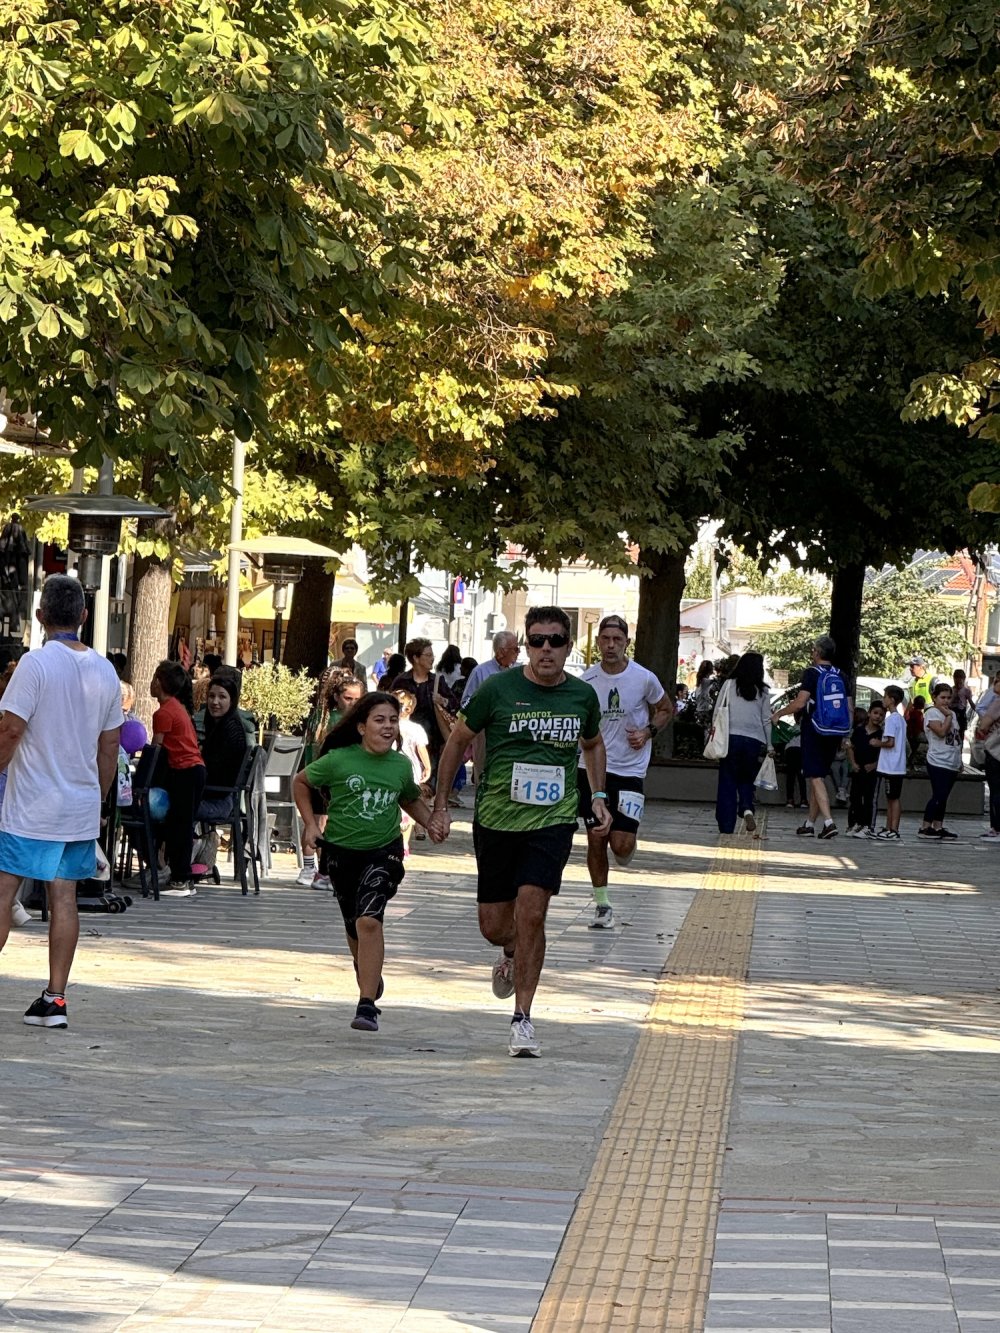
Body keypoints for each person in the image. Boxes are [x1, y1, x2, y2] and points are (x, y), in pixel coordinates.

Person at [431, 607, 610, 1059]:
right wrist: (439, 802)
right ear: (526, 645)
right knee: (495, 926)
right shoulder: (498, 689)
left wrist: (598, 795)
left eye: (554, 640)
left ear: (569, 646)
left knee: (533, 911)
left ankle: (523, 1017)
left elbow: (592, 745)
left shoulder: (582, 697)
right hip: (496, 819)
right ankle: (509, 949)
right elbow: (457, 740)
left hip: (552, 820)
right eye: (537, 640)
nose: (545, 648)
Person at [0, 575, 122, 1027]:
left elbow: (11, 730)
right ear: (84, 617)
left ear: (40, 616)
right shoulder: (105, 671)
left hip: (32, 803)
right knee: (64, 898)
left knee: (4, 891)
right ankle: (55, 999)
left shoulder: (35, 666)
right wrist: (100, 799)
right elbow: (109, 747)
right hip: (78, 806)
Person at [291, 692, 440, 1032]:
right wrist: (311, 824)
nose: (388, 727)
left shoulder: (401, 765)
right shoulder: (339, 760)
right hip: (341, 853)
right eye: (379, 720)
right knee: (353, 922)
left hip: (383, 851)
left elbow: (409, 799)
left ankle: (367, 1005)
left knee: (369, 920)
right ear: (361, 727)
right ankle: (367, 971)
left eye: (392, 720)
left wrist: (430, 822)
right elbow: (300, 782)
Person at [578, 614, 672, 926]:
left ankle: (629, 839)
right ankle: (602, 904)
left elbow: (666, 708)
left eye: (617, 640)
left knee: (620, 845)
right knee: (595, 837)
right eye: (605, 639)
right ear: (597, 642)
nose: (610, 645)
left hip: (630, 770)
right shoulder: (586, 681)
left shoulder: (643, 678)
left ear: (627, 644)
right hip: (593, 769)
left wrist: (647, 732)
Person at [770, 635, 844, 839]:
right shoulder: (841, 674)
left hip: (815, 729)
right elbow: (850, 707)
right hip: (835, 731)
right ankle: (810, 824)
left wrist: (779, 713)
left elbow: (800, 703)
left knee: (815, 776)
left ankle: (828, 822)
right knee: (817, 775)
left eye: (812, 650)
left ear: (818, 653)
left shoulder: (812, 673)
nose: (811, 653)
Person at [298, 672, 365, 888]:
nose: (353, 703)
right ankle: (310, 867)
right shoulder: (328, 718)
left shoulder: (356, 720)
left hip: (340, 780)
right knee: (317, 823)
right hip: (322, 778)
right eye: (348, 698)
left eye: (357, 699)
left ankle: (324, 869)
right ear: (337, 696)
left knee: (327, 824)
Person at [150, 660, 206, 896]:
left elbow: (156, 749)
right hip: (195, 770)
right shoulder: (178, 707)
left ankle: (180, 878)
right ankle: (183, 877)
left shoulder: (163, 712)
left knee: (179, 825)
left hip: (184, 771)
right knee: (182, 823)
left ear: (159, 683)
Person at [713, 651, 771, 837]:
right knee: (746, 778)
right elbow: (766, 720)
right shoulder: (763, 691)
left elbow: (718, 711)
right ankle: (747, 808)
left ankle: (726, 825)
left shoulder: (730, 685)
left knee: (728, 781)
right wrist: (770, 745)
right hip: (754, 741)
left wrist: (714, 733)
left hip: (731, 738)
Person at [390, 638, 452, 774]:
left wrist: (443, 701)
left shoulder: (437, 681)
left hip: (432, 741)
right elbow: (389, 705)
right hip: (405, 741)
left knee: (430, 781)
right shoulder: (401, 681)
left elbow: (455, 705)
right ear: (416, 658)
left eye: (432, 655)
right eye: (428, 655)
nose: (432, 659)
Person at [197, 675, 249, 821]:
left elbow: (219, 776)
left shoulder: (231, 730)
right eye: (211, 696)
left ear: (231, 701)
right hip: (214, 795)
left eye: (222, 697)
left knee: (172, 804)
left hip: (220, 801)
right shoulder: (218, 726)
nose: (215, 702)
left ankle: (193, 843)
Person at [917, 680, 962, 840]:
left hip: (952, 761)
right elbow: (941, 732)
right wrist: (948, 716)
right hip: (938, 760)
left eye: (949, 698)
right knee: (938, 794)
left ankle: (938, 826)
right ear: (934, 697)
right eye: (942, 697)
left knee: (944, 797)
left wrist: (960, 759)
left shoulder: (953, 714)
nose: (946, 701)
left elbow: (956, 737)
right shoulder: (932, 713)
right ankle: (925, 826)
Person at [394, 686, 432, 856]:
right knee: (408, 805)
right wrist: (428, 766)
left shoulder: (388, 725)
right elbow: (421, 749)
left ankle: (398, 842)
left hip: (393, 767)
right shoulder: (415, 728)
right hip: (411, 768)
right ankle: (404, 844)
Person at [870, 684, 906, 841]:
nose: (883, 699)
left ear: (891, 700)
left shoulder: (892, 720)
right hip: (895, 766)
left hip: (892, 766)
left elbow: (890, 742)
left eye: (885, 697)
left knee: (893, 798)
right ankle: (889, 826)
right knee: (891, 797)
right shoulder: (900, 719)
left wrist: (878, 743)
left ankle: (894, 829)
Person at [846, 702, 883, 837]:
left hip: (872, 772)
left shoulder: (881, 734)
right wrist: (853, 763)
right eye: (875, 713)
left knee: (869, 799)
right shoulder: (859, 730)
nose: (877, 717)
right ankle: (854, 823)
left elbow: (884, 754)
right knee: (855, 797)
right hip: (858, 770)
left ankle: (868, 826)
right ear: (869, 713)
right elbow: (850, 747)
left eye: (881, 715)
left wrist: (874, 765)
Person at [460, 631, 519, 706]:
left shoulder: (518, 671)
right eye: (515, 649)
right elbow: (465, 703)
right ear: (501, 651)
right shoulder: (479, 672)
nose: (518, 652)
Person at [975, 674, 1000, 840]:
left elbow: (984, 725)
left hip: (996, 752)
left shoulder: (997, 703)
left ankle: (996, 828)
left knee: (996, 790)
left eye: (997, 681)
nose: (995, 684)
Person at [782, 728, 806, 808]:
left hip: (790, 749)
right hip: (801, 748)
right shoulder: (806, 723)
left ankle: (790, 799)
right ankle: (803, 799)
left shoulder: (787, 726)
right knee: (801, 776)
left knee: (790, 776)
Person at [692, 660, 716, 737]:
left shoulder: (700, 681)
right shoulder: (706, 681)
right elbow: (716, 682)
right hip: (704, 710)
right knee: (707, 732)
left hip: (699, 709)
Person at [951, 668, 974, 741]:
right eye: (956, 680)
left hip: (961, 713)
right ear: (954, 679)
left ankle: (959, 748)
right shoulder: (950, 690)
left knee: (960, 735)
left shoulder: (966, 691)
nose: (958, 684)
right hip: (952, 712)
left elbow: (971, 703)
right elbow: (947, 703)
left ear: (964, 680)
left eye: (960, 682)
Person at [905, 694, 927, 769]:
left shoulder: (911, 712)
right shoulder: (918, 714)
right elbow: (920, 725)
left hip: (910, 734)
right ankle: (911, 763)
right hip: (916, 734)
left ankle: (910, 763)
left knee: (914, 750)